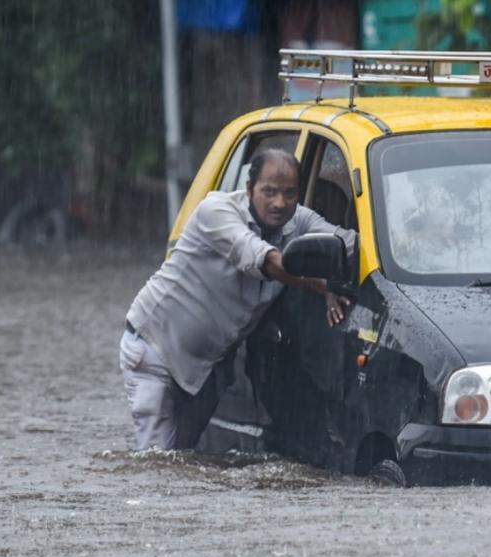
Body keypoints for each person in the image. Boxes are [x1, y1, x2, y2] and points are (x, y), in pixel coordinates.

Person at [119, 148, 356, 450]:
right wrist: (323, 285)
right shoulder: (216, 212)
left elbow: (350, 245)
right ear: (249, 188)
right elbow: (267, 262)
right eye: (269, 192)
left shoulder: (300, 221)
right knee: (157, 459)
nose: (280, 203)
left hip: (209, 367)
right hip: (155, 350)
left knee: (183, 459)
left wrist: (338, 274)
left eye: (290, 194)